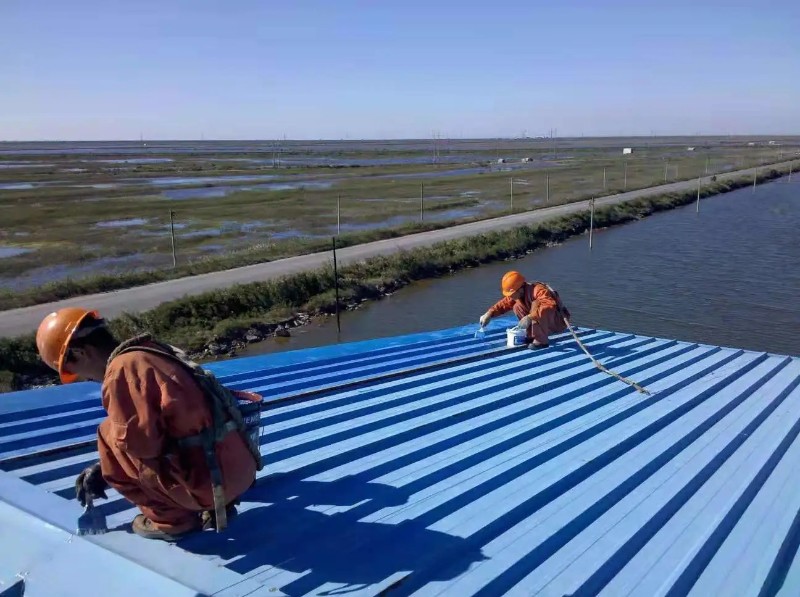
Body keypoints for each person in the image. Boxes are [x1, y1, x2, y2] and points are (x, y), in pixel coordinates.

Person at [36, 307, 260, 541]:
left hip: (212, 486)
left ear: (81, 353)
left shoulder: (122, 371)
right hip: (238, 472)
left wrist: (107, 468)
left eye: (77, 371)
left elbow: (142, 447)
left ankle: (172, 520)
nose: (87, 379)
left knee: (109, 435)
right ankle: (214, 505)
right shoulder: (153, 350)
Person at [479, 271, 571, 348]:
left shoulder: (538, 290)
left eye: (511, 294)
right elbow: (505, 303)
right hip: (545, 323)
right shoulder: (519, 294)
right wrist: (490, 313)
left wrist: (530, 317)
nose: (510, 297)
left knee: (536, 304)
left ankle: (541, 340)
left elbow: (549, 305)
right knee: (517, 306)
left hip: (557, 322)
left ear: (520, 289)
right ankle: (531, 335)